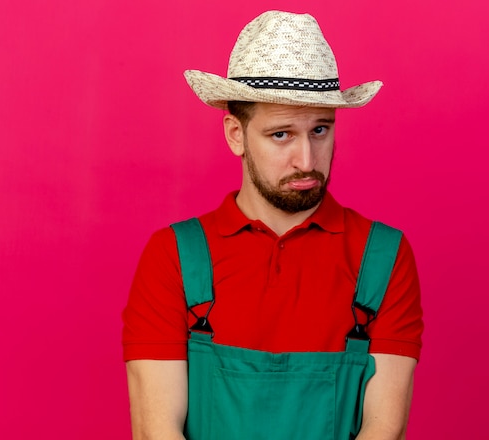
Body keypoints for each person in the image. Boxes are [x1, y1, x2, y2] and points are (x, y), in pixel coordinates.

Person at [122, 10, 423, 440]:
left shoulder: (383, 257)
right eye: (281, 134)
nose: (306, 159)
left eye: (320, 129)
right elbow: (157, 431)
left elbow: (383, 429)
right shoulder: (173, 256)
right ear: (235, 134)